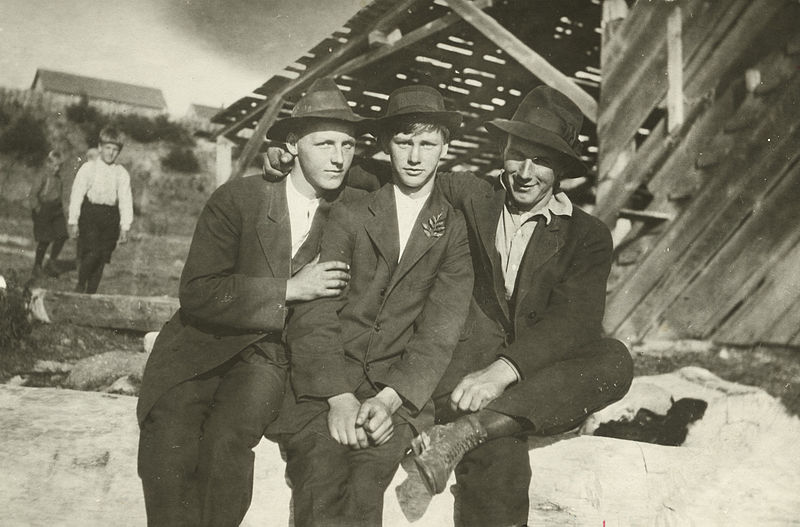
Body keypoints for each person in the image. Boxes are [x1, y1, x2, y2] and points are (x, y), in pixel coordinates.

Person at [136, 78, 368, 527]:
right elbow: (198, 290)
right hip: (200, 347)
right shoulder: (239, 199)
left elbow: (399, 183)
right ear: (292, 144)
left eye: (348, 144)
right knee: (170, 435)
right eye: (323, 144)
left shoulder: (352, 206)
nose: (338, 158)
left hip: (268, 358)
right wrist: (288, 289)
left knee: (229, 441)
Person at [409, 86, 634, 527]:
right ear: (503, 153)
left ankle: (468, 431)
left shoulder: (586, 234)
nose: (526, 172)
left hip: (533, 372)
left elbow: (576, 321)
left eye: (542, 160)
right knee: (502, 458)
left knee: (615, 359)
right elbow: (393, 178)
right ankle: (484, 429)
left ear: (564, 170)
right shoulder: (471, 195)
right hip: (464, 367)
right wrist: (289, 168)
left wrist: (504, 372)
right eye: (517, 155)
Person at [265, 85, 473, 527]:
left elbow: (440, 331)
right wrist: (338, 396)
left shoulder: (454, 230)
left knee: (366, 480)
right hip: (328, 383)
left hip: (397, 391)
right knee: (319, 468)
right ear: (383, 146)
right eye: (403, 142)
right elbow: (317, 308)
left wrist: (391, 399)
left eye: (427, 144)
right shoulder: (351, 212)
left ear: (446, 149)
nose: (415, 156)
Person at [67, 126, 133, 293]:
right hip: (90, 214)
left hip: (111, 216)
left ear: (119, 152)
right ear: (100, 147)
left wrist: (125, 226)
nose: (111, 153)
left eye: (115, 150)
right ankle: (80, 284)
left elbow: (125, 200)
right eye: (108, 148)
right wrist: (73, 220)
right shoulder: (89, 168)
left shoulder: (121, 173)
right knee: (93, 252)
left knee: (102, 257)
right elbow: (77, 194)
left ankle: (90, 294)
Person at [28, 150, 68, 277]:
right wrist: (38, 209)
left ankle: (51, 262)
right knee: (44, 240)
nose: (57, 169)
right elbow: (33, 195)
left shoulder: (58, 178)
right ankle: (37, 266)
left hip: (56, 210)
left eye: (59, 166)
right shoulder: (42, 175)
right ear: (48, 163)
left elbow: (59, 194)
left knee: (62, 235)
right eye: (55, 165)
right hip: (43, 209)